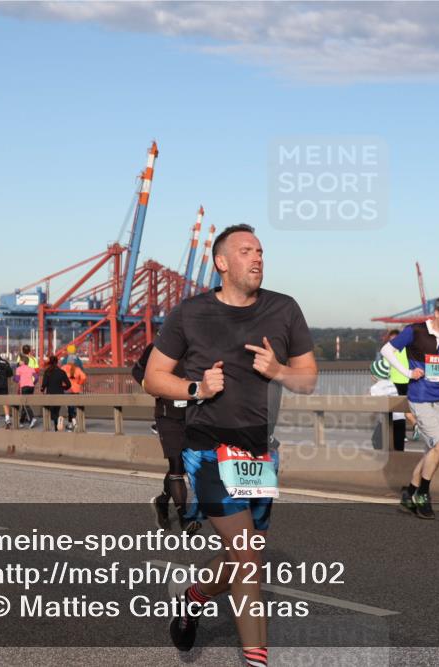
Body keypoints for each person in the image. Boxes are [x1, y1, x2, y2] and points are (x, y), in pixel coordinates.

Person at [143, 224, 317, 662]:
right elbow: (153, 377)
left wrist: (279, 371)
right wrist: (197, 389)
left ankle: (193, 597)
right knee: (247, 556)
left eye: (260, 251)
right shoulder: (190, 313)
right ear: (222, 262)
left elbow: (308, 379)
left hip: (258, 453)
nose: (257, 258)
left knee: (244, 554)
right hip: (207, 451)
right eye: (245, 251)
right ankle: (256, 659)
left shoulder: (284, 309)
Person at [381, 295, 439, 520]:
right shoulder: (416, 331)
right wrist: (408, 373)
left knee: (436, 450)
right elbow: (387, 351)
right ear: (437, 314)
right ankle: (423, 494)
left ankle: (409, 492)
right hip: (420, 396)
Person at [132, 342, 201, 534]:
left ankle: (162, 501)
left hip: (193, 414)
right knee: (177, 466)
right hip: (167, 416)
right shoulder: (159, 346)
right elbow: (137, 370)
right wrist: (150, 386)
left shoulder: (201, 343)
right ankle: (184, 519)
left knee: (182, 466)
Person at [384, 328, 418, 448]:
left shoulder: (388, 352)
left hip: (396, 384)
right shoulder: (407, 350)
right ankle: (413, 426)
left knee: (398, 412)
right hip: (407, 381)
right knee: (405, 410)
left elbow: (385, 368)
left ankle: (407, 430)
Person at [367, 359, 406, 451]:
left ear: (375, 376)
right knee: (398, 446)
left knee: (376, 440)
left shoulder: (375, 388)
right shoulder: (392, 384)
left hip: (386, 421)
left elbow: (369, 402)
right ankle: (400, 463)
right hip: (400, 419)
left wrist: (372, 415)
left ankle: (382, 460)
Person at [39, 355, 71, 431]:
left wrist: (42, 389)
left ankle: (58, 421)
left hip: (50, 394)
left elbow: (44, 384)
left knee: (52, 413)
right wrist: (63, 388)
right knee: (56, 411)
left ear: (50, 362)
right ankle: (57, 428)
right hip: (60, 394)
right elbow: (69, 384)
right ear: (57, 362)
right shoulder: (61, 372)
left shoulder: (47, 372)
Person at [61, 357, 87, 431]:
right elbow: (84, 377)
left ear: (67, 361)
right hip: (76, 390)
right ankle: (73, 422)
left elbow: (59, 376)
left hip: (67, 389)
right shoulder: (77, 369)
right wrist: (79, 383)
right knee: (73, 407)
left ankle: (72, 423)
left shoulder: (63, 368)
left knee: (69, 407)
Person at [14, 355, 38, 429]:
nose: (19, 362)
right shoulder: (31, 368)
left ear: (23, 362)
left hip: (24, 387)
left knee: (25, 404)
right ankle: (21, 422)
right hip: (31, 387)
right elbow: (36, 378)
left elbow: (17, 379)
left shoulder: (18, 369)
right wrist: (33, 383)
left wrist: (14, 378)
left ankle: (32, 418)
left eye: (20, 360)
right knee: (26, 404)